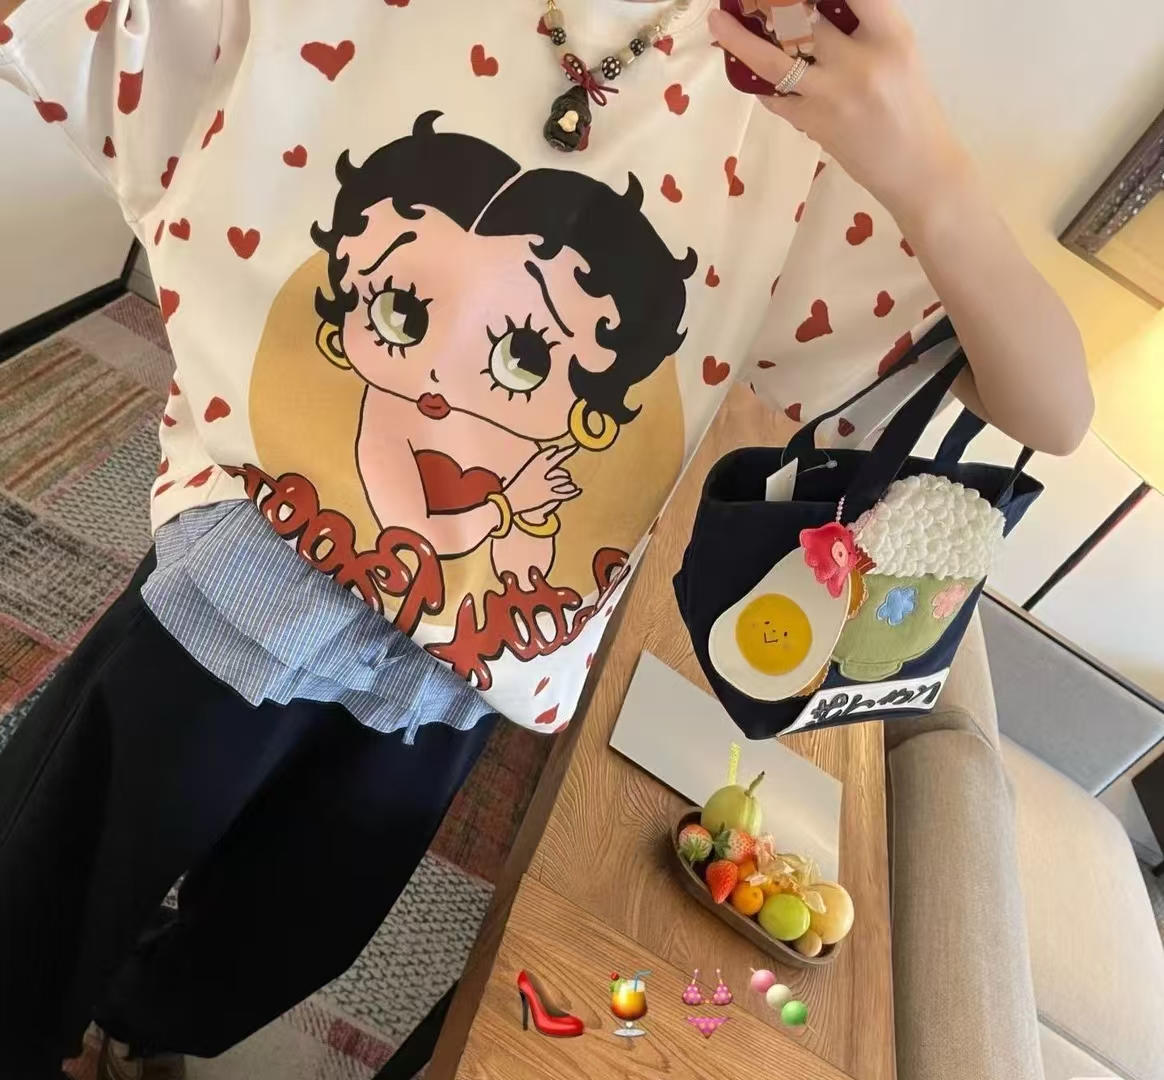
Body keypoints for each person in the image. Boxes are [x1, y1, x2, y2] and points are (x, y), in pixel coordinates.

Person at [0, 0, 1091, 1075]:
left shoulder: (786, 94)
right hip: (253, 569)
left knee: (272, 945)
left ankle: (131, 1030)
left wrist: (927, 167)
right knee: (54, 885)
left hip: (469, 663)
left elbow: (1051, 411)